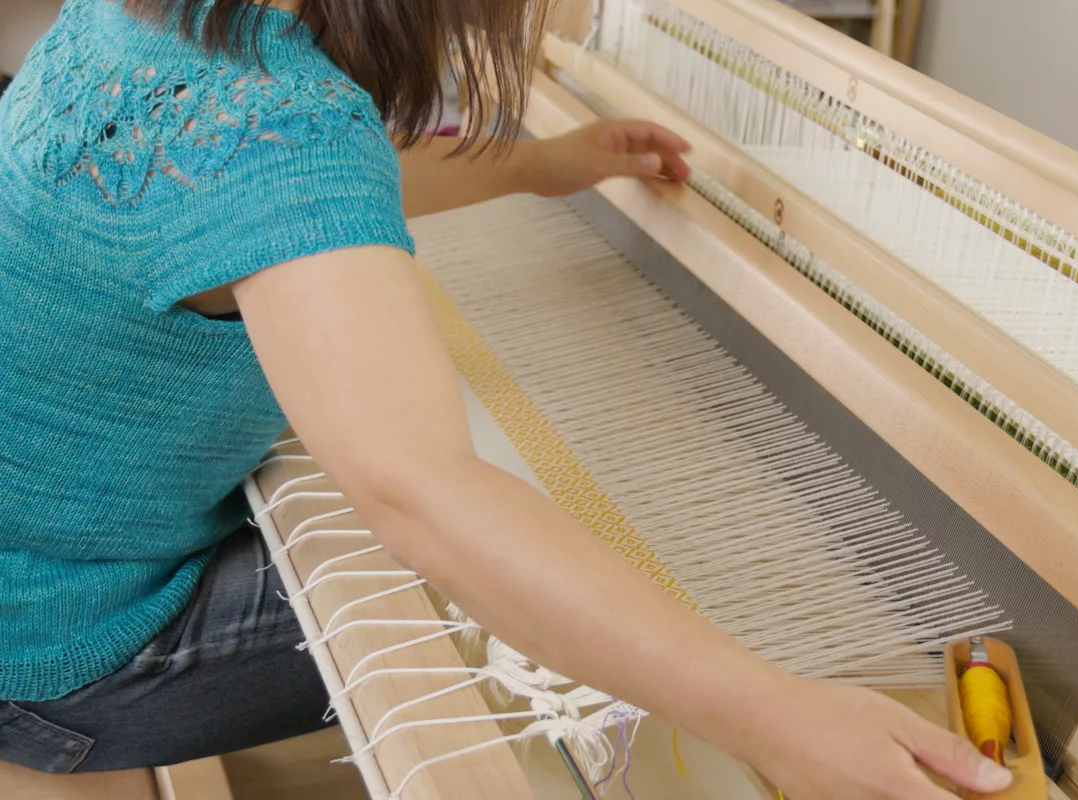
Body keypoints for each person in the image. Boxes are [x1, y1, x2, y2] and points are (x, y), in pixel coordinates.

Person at [0, 1, 1014, 796]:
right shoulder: (280, 126)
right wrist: (776, 715)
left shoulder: (141, 23)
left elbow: (296, 178)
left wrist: (536, 166)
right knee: (541, 571)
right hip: (67, 657)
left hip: (28, 574)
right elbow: (421, 492)